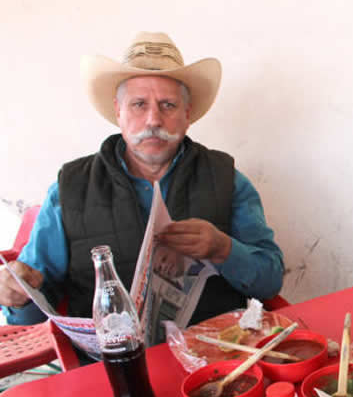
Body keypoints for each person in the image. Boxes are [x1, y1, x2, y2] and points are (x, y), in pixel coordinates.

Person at [0, 32, 284, 335]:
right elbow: (29, 319)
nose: (153, 120)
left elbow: (270, 281)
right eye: (138, 104)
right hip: (113, 364)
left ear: (187, 115)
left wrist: (222, 249)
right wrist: (18, 296)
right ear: (118, 112)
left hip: (221, 355)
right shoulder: (70, 189)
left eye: (168, 105)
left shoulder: (226, 178)